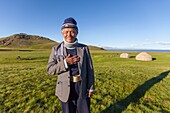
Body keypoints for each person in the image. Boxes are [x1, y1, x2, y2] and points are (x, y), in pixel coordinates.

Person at [47, 17, 94, 113]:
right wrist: (65, 63)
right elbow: (50, 69)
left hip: (82, 87)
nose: (69, 35)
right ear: (62, 33)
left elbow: (90, 69)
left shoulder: (84, 48)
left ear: (77, 33)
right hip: (65, 88)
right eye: (66, 31)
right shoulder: (56, 49)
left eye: (72, 31)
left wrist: (90, 87)